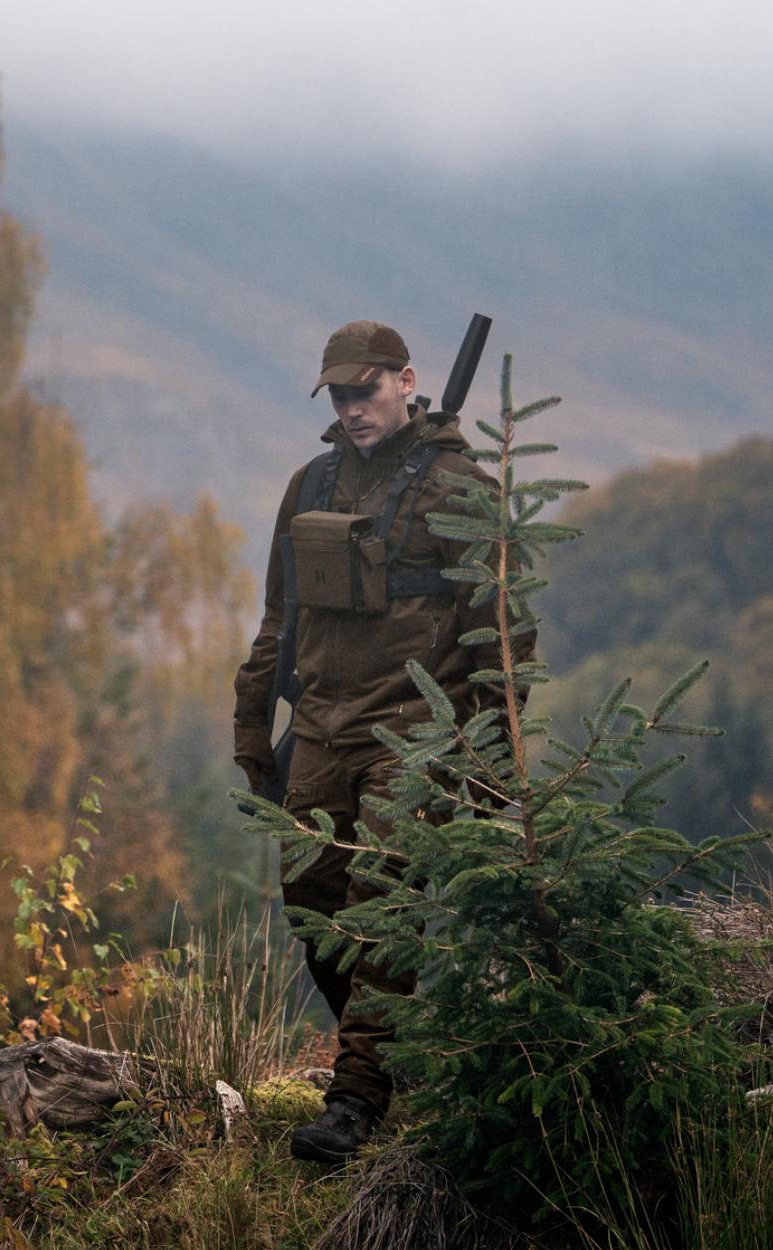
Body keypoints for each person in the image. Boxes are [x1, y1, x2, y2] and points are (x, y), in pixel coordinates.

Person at [233, 320, 535, 1163]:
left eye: (366, 390)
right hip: (322, 728)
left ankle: (357, 1099)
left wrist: (488, 762)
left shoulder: (460, 488)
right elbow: (278, 617)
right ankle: (397, 1057)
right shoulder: (311, 484)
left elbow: (502, 640)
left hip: (415, 737)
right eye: (339, 394)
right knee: (312, 910)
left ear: (408, 380)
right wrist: (252, 720)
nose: (353, 407)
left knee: (381, 912)